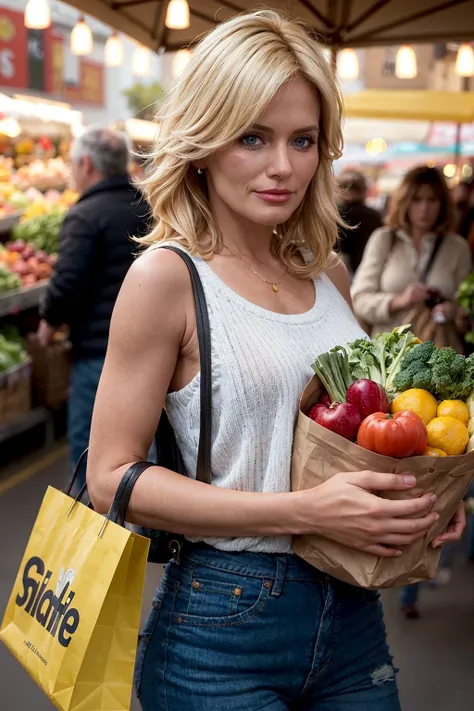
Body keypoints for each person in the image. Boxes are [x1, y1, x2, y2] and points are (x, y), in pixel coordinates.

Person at [86, 12, 465, 711]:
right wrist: (308, 510)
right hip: (221, 631)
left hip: (355, 618)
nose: (283, 166)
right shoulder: (168, 279)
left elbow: (359, 437)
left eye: (303, 140)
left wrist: (417, 505)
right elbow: (111, 480)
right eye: (253, 136)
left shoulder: (331, 276)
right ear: (203, 141)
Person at [37, 126, 149, 480]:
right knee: (141, 456)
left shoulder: (85, 214)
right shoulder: (147, 205)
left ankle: (94, 532)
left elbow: (66, 284)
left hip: (99, 357)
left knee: (92, 457)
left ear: (86, 164)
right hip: (153, 353)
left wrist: (48, 323)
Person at [351, 166, 472, 340]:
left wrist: (455, 312)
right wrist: (399, 300)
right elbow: (358, 299)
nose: (424, 208)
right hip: (389, 355)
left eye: (432, 200)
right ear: (405, 202)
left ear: (443, 203)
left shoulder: (457, 247)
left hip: (440, 354)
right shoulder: (384, 239)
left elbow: (466, 309)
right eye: (417, 199)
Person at [337, 171, 382, 276]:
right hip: (373, 266)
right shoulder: (375, 215)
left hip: (349, 269)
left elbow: (340, 247)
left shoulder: (342, 215)